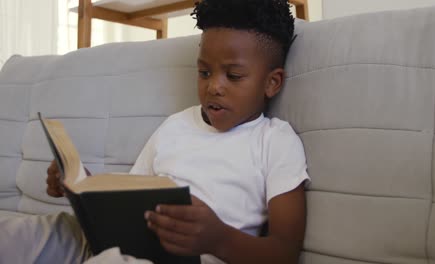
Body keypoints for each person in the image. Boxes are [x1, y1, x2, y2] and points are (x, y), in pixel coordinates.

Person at [4, 0, 310, 263]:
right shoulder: (176, 125)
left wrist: (219, 239)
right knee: (25, 233)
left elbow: (284, 252)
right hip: (119, 241)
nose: (214, 86)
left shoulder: (275, 141)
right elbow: (131, 196)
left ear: (272, 82)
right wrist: (81, 186)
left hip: (190, 258)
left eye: (233, 75)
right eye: (204, 72)